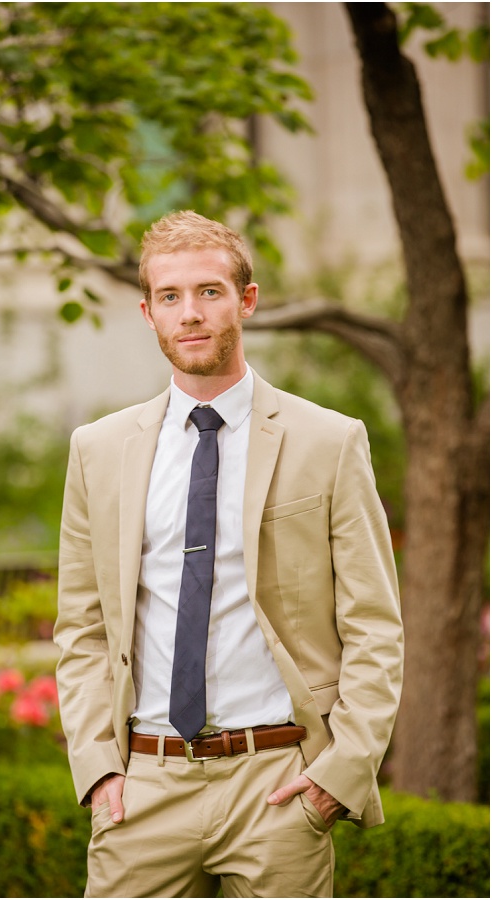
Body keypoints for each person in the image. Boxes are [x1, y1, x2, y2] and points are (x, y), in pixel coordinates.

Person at [54, 211, 403, 897]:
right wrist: (98, 768)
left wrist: (339, 774)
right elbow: (82, 625)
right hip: (144, 784)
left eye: (210, 292)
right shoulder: (98, 450)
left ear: (246, 300)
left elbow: (375, 624)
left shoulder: (328, 442)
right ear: (148, 311)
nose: (191, 314)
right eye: (171, 297)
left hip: (276, 780)